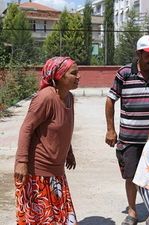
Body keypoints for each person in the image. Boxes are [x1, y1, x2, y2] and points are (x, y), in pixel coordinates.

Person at [105, 35, 149, 225]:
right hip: (128, 138)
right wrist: (110, 130)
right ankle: (133, 212)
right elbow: (110, 99)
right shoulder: (124, 73)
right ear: (139, 54)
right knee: (131, 176)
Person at [14, 56, 80, 225]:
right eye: (73, 73)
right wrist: (21, 161)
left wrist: (69, 152)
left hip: (56, 173)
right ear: (59, 76)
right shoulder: (45, 98)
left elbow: (63, 128)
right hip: (37, 173)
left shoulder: (69, 98)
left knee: (61, 220)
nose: (78, 77)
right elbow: (26, 128)